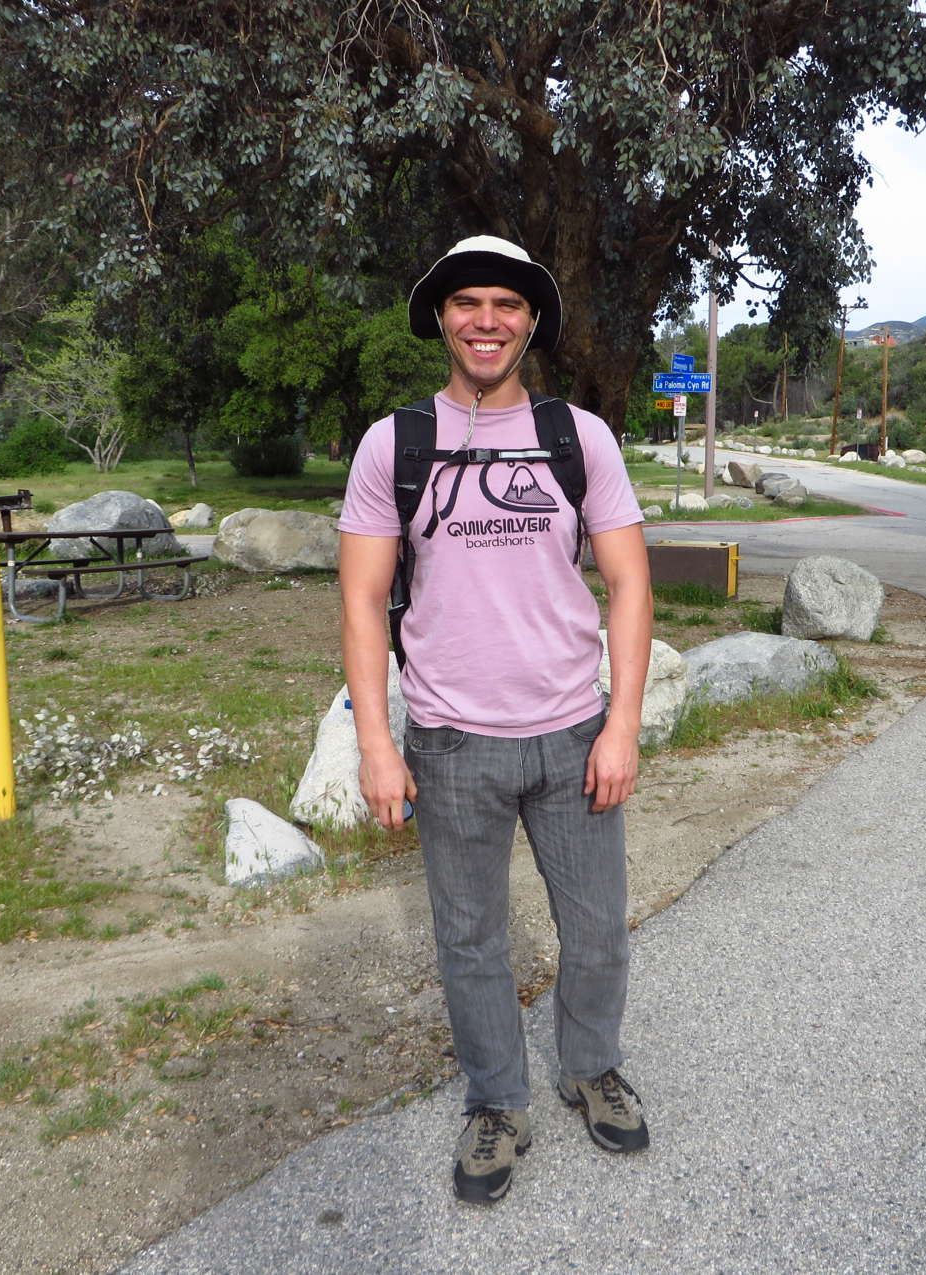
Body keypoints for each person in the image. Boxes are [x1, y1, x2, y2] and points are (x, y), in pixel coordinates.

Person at [337, 236, 653, 1204]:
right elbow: (361, 602)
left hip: (571, 735)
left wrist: (622, 724)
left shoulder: (579, 438)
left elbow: (630, 584)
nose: (486, 320)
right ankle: (495, 1102)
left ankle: (588, 1067)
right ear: (440, 317)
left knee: (595, 932)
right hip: (449, 741)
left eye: (506, 305)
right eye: (467, 302)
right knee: (471, 942)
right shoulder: (394, 445)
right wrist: (376, 744)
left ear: (531, 322)